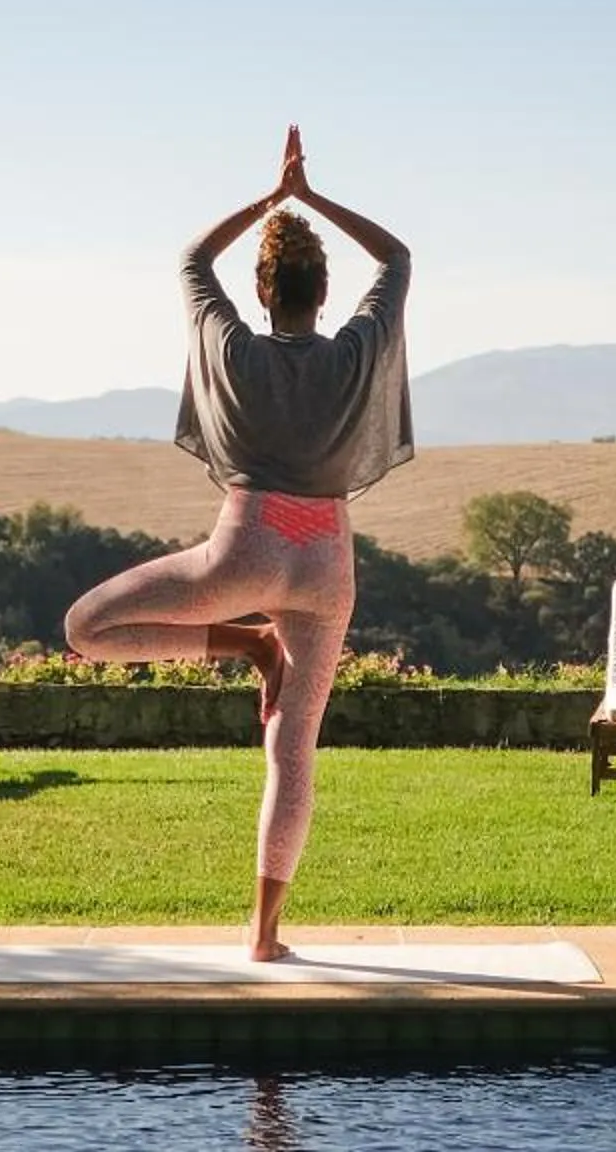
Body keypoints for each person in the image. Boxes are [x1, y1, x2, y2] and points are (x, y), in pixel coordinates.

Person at [64, 125, 413, 962]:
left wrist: (272, 198)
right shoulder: (356, 353)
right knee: (293, 753)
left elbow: (192, 260)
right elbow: (397, 260)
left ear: (263, 295)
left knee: (85, 628)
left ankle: (243, 642)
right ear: (323, 294)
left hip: (247, 545)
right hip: (327, 558)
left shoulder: (234, 348)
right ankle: (264, 936)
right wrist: (313, 198)